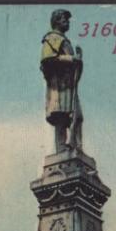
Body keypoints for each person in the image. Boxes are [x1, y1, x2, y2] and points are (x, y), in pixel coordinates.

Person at [41, 9, 83, 152]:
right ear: (57, 21)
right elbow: (47, 59)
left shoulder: (64, 40)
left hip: (69, 84)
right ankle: (61, 149)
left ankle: (75, 146)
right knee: (61, 116)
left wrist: (78, 62)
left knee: (77, 116)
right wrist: (71, 59)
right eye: (65, 19)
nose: (68, 21)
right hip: (59, 85)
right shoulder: (52, 38)